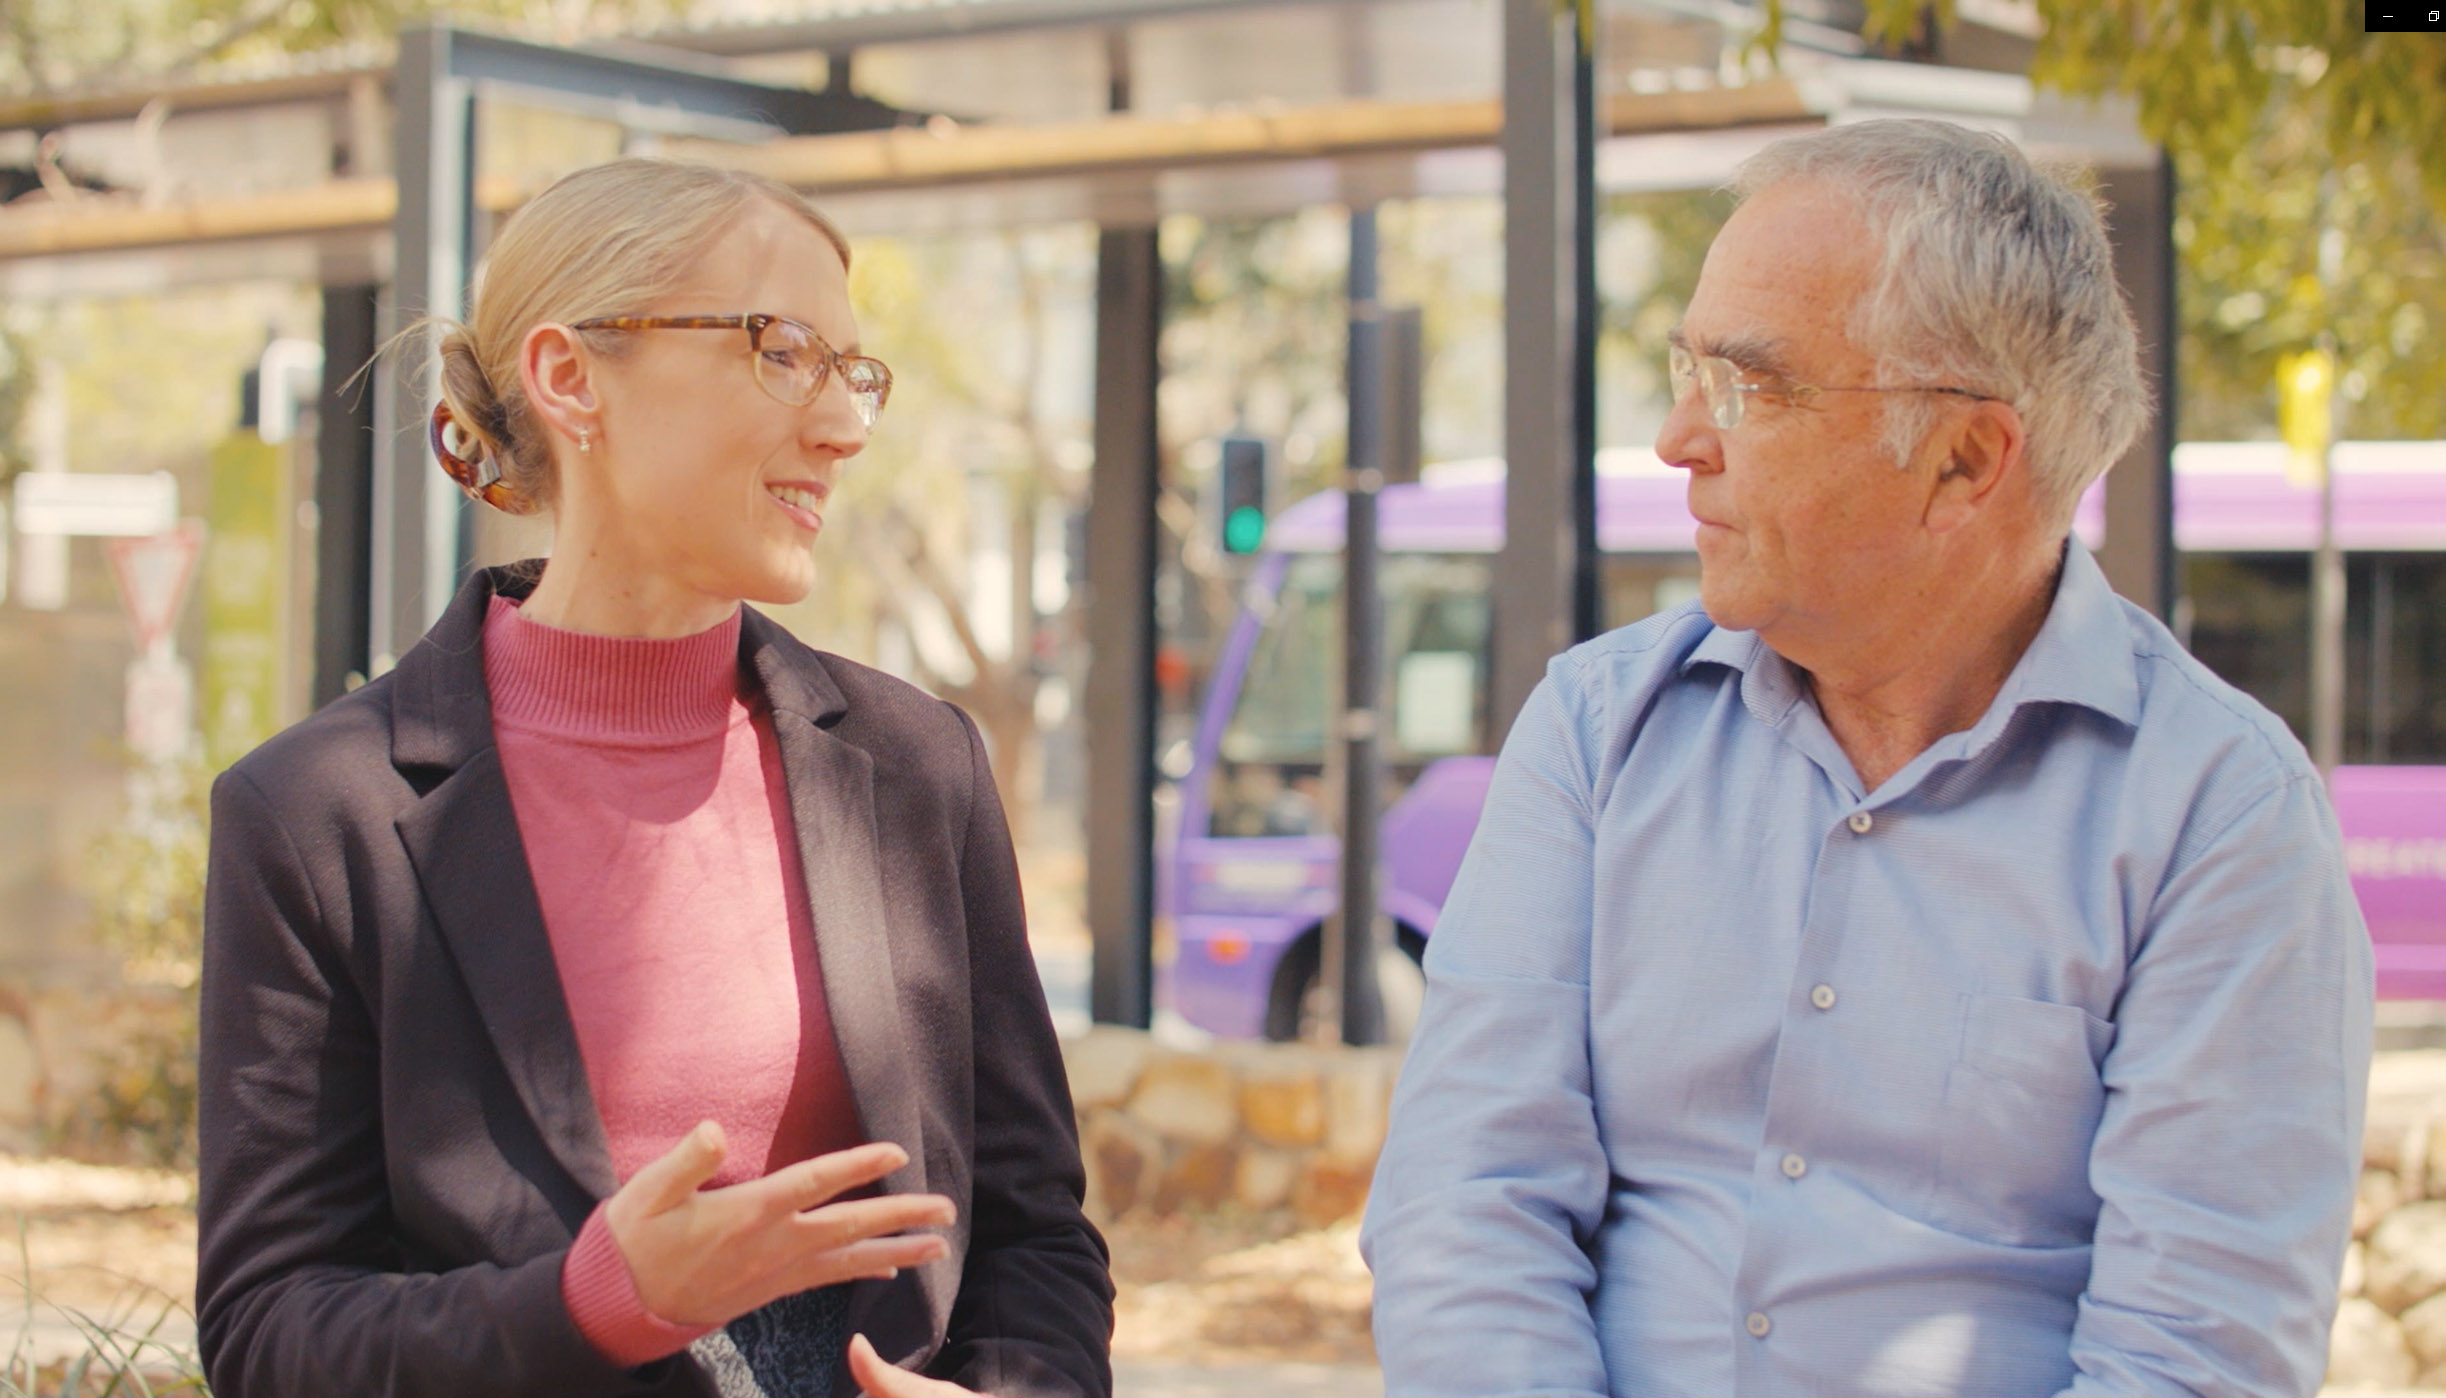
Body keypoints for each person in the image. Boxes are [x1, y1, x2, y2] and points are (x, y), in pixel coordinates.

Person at [1362, 119, 2372, 1396]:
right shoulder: (1596, 729)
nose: (1679, 438)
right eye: (1685, 371)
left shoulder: (2218, 817)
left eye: (1750, 385)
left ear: (1963, 462)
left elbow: (2193, 1357)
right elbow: (1465, 1206)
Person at [196, 157, 1112, 1398]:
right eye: (780, 350)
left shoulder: (916, 766)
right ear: (572, 378)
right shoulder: (316, 815)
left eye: (855, 372)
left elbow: (1028, 1233)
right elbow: (270, 1335)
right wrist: (600, 1300)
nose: (842, 426)